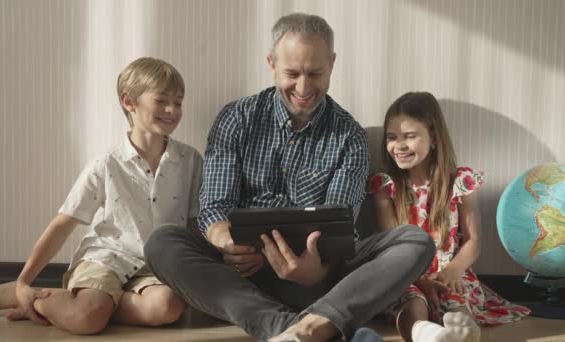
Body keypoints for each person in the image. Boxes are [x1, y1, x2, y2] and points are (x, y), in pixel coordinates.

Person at [145, 13, 435, 342]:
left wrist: (316, 270)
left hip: (324, 280)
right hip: (241, 277)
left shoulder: (348, 135)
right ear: (271, 64)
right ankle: (295, 328)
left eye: (315, 73)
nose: (303, 87)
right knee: (163, 242)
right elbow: (214, 205)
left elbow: (339, 223)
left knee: (415, 240)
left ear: (333, 64)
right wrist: (228, 243)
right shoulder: (236, 119)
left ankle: (312, 323)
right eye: (292, 73)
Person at [0, 57, 203, 335]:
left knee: (167, 308)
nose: (172, 110)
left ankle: (93, 304)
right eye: (161, 101)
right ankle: (21, 295)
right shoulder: (107, 165)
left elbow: (196, 225)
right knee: (87, 320)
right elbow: (63, 225)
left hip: (155, 267)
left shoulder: (191, 161)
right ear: (129, 102)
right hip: (106, 258)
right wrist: (23, 281)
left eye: (179, 101)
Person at [368, 92, 530, 342]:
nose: (399, 145)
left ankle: (463, 330)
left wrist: (453, 270)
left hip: (450, 271)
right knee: (409, 300)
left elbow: (474, 240)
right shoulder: (386, 187)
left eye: (410, 136)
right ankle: (426, 334)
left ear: (433, 137)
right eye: (392, 137)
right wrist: (420, 280)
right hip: (404, 272)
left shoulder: (459, 182)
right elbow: (391, 248)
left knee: (454, 295)